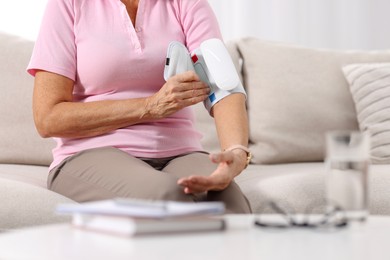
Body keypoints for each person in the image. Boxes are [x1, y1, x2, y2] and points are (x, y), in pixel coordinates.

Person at [27, 0, 252, 213]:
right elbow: (48, 118)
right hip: (90, 153)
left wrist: (236, 151)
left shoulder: (184, 3)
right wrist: (149, 106)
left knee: (229, 202)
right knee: (169, 197)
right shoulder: (69, 4)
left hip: (181, 151)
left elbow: (223, 86)